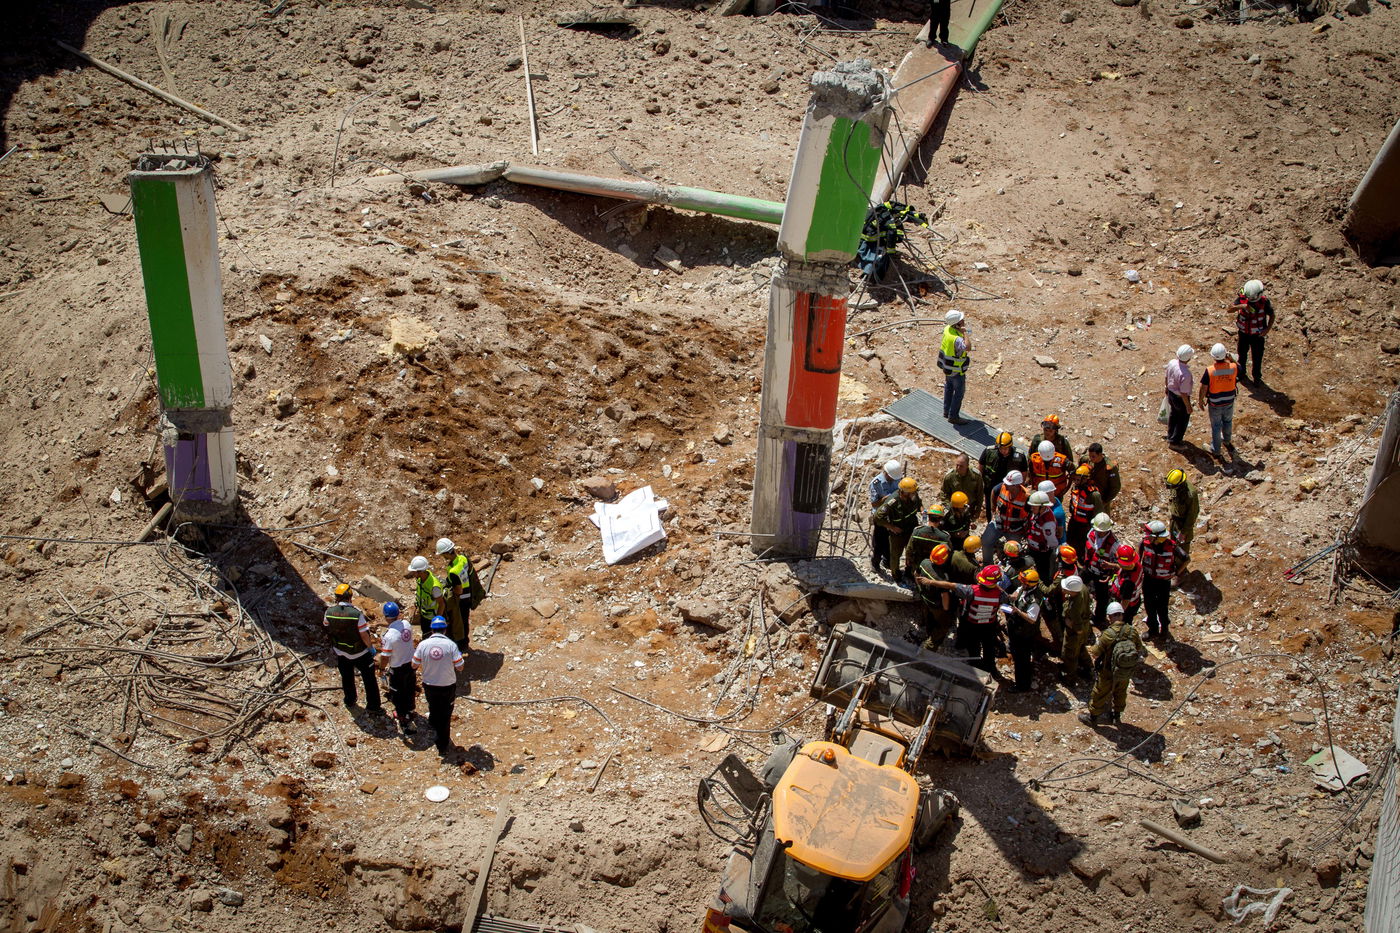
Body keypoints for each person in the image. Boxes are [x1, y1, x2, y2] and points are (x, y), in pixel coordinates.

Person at [925, 564, 1006, 674]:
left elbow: (951, 585)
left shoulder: (971, 591)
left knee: (973, 647)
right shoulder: (1000, 595)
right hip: (989, 625)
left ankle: (975, 667)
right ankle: (990, 668)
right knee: (989, 647)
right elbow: (1006, 597)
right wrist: (996, 586)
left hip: (972, 624)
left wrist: (930, 582)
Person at [1079, 602, 1145, 727]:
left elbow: (1096, 653)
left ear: (1109, 617)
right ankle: (1116, 716)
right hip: (1124, 669)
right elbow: (1138, 647)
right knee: (1121, 692)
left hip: (1108, 671)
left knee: (1099, 693)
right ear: (1122, 615)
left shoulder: (1108, 634)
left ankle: (1093, 718)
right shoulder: (1132, 631)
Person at [323, 583, 384, 715]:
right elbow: (364, 634)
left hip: (341, 652)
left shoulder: (329, 612)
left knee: (347, 677)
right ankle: (373, 706)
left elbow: (327, 627)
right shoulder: (356, 614)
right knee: (369, 679)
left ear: (337, 597)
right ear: (350, 596)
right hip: (360, 653)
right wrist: (371, 648)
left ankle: (350, 700)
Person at [413, 616, 465, 758]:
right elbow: (460, 667)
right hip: (447, 686)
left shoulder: (423, 645)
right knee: (446, 715)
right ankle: (443, 746)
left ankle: (433, 724)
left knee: (433, 706)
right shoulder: (451, 645)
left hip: (429, 685)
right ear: (445, 629)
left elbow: (414, 664)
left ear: (431, 630)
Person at [1140, 520, 1188, 640]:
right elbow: (1138, 560)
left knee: (1162, 607)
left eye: (1150, 534)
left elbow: (1186, 559)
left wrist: (1177, 572)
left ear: (1157, 537)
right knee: (1149, 605)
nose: (1147, 536)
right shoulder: (1144, 543)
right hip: (1149, 580)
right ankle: (1153, 629)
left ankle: (1164, 629)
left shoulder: (1172, 546)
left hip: (1163, 582)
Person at [436, 537, 485, 652]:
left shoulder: (454, 571)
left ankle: (461, 645)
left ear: (446, 554)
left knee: (459, 621)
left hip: (462, 598)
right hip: (469, 594)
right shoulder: (463, 558)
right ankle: (464, 643)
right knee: (465, 620)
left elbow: (458, 590)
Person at [873, 477, 924, 583]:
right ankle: (896, 576)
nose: (915, 493)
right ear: (905, 493)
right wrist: (891, 527)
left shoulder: (913, 495)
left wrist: (923, 511)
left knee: (911, 553)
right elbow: (878, 517)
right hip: (898, 532)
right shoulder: (893, 501)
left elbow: (919, 504)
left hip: (911, 529)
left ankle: (909, 572)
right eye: (912, 492)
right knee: (895, 556)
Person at [376, 601, 417, 734]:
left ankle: (403, 718)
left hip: (398, 668)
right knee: (410, 688)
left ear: (386, 616)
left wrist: (381, 668)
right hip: (411, 664)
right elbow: (396, 624)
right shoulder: (407, 625)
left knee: (398, 693)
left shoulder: (389, 637)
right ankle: (411, 709)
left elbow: (385, 657)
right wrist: (379, 624)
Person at [1195, 342, 1239, 459]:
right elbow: (1240, 368)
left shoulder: (1210, 370)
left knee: (1216, 426)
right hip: (1229, 401)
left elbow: (1203, 387)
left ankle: (1216, 450)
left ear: (1213, 357)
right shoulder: (1233, 367)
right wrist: (1231, 359)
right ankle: (1227, 441)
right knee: (1228, 421)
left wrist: (1200, 400)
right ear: (1225, 355)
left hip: (1215, 403)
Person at [1004, 568, 1045, 691]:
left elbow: (1031, 619)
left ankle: (1022, 685)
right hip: (1017, 628)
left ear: (1030, 584)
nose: (1021, 584)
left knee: (1021, 660)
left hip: (1024, 633)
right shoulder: (1024, 588)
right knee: (1018, 653)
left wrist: (1018, 611)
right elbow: (1017, 593)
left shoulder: (1035, 600)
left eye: (1023, 583)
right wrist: (1012, 596)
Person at [1231, 278, 1276, 385]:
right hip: (1244, 334)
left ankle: (1257, 377)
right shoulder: (1242, 299)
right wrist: (1242, 306)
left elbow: (1272, 315)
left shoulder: (1264, 302)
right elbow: (1230, 309)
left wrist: (1267, 329)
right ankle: (1241, 373)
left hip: (1258, 336)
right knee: (1242, 355)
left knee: (1257, 357)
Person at [913, 544, 957, 649]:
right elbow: (944, 595)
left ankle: (928, 629)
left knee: (928, 616)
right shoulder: (942, 577)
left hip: (925, 598)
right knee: (943, 625)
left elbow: (916, 574)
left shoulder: (924, 562)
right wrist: (946, 610)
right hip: (936, 605)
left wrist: (920, 587)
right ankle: (931, 644)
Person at [982, 469, 1029, 564]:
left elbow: (1030, 515)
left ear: (1016, 485)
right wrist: (993, 509)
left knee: (1014, 551)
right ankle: (987, 564)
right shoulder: (1001, 488)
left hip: (1015, 530)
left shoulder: (1026, 497)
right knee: (985, 541)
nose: (1005, 485)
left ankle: (1011, 568)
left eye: (1008, 484)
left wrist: (1026, 531)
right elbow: (993, 492)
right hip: (999, 524)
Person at [978, 432, 1028, 517]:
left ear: (1010, 446)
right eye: (1000, 448)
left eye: (1005, 448)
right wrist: (981, 483)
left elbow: (1024, 473)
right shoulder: (989, 451)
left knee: (1006, 510)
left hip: (1009, 489)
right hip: (990, 486)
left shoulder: (1019, 456)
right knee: (990, 508)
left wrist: (1019, 489)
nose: (1003, 451)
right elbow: (981, 466)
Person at [1083, 513, 1119, 630]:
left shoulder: (1114, 544)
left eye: (1102, 531)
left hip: (1102, 574)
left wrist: (1110, 571)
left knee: (1102, 598)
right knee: (1079, 583)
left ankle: (1099, 619)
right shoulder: (1091, 534)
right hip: (1089, 568)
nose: (1099, 533)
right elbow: (1088, 550)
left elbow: (1119, 564)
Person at [868, 460, 904, 575]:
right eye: (892, 477)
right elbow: (874, 504)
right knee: (879, 542)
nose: (894, 480)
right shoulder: (876, 483)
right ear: (886, 473)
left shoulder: (898, 479)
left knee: (891, 541)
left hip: (894, 515)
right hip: (881, 516)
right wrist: (887, 499)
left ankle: (887, 561)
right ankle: (875, 564)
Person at [937, 310, 972, 424]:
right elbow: (967, 347)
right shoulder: (956, 339)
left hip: (947, 368)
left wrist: (960, 330)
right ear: (957, 324)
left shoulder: (948, 329)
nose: (964, 321)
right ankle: (953, 417)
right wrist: (965, 333)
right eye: (961, 320)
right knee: (958, 393)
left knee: (949, 388)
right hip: (957, 370)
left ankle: (946, 411)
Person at [1059, 575, 1093, 684]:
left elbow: (1078, 627)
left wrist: (1069, 624)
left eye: (1066, 589)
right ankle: (1089, 668)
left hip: (1075, 632)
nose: (1063, 590)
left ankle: (1070, 679)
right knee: (1081, 648)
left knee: (1069, 654)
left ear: (1073, 592)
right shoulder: (1082, 588)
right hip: (1085, 625)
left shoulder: (1074, 606)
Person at [1065, 465, 1104, 555]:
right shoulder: (1075, 488)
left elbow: (1099, 513)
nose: (1075, 482)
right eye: (1075, 479)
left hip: (1085, 526)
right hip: (1074, 521)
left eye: (1078, 480)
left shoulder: (1094, 495)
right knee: (1070, 542)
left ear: (1086, 479)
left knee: (1082, 547)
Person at [405, 555, 443, 638]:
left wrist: (436, 622)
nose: (412, 573)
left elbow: (441, 604)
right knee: (425, 635)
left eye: (414, 571)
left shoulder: (434, 586)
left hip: (432, 618)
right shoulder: (420, 580)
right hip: (423, 615)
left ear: (420, 572)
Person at [1024, 491, 1060, 579]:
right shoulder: (1036, 513)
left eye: (1034, 507)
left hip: (1041, 554)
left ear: (1042, 507)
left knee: (1042, 573)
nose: (1032, 508)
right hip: (1032, 548)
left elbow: (1052, 541)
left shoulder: (1047, 523)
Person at [905, 506, 949, 576]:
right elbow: (948, 554)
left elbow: (909, 549)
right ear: (940, 519)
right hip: (934, 569)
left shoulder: (917, 531)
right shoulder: (945, 537)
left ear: (928, 516)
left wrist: (909, 561)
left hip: (917, 566)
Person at [1164, 345, 1195, 446]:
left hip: (1171, 393)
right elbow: (1183, 393)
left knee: (1173, 414)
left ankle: (1170, 436)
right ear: (1189, 358)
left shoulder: (1172, 363)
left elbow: (1166, 377)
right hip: (1180, 399)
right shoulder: (1186, 374)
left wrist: (1166, 388)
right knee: (1182, 420)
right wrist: (1188, 406)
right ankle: (1175, 442)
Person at [1166, 469, 1201, 554]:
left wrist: (1183, 532)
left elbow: (1192, 515)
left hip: (1183, 526)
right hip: (1175, 522)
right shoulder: (1176, 485)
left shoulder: (1190, 494)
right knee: (1173, 548)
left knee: (1181, 553)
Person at [941, 454, 984, 524]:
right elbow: (944, 493)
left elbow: (980, 495)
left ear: (967, 466)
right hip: (954, 509)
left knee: (966, 526)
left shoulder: (976, 476)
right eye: (957, 465)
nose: (958, 468)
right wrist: (949, 507)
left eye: (961, 466)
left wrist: (977, 511)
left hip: (969, 508)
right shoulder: (950, 476)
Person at [1109, 543, 1144, 627]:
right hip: (1135, 602)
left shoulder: (1128, 583)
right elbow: (1123, 567)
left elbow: (1125, 603)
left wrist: (1118, 614)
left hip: (1128, 607)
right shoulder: (1136, 565)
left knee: (1124, 625)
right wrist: (1112, 565)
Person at [1079, 443, 1122, 511]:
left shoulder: (1109, 467)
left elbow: (1115, 487)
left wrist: (1105, 501)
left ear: (1100, 454)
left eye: (1093, 456)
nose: (1091, 458)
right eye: (1090, 456)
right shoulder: (1087, 460)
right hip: (1087, 497)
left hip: (1101, 499)